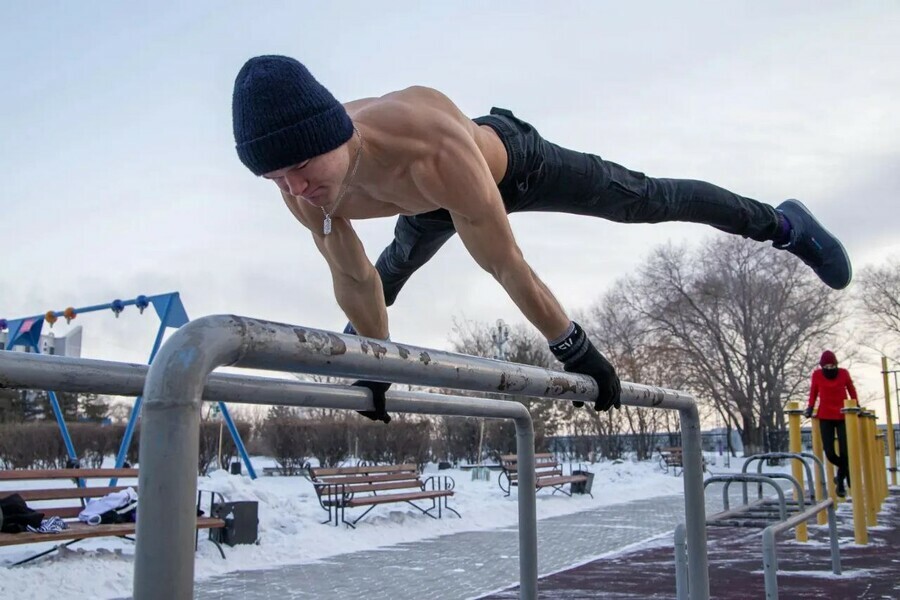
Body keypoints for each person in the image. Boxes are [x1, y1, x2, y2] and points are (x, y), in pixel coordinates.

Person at [231, 55, 853, 423]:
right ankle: (365, 354)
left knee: (646, 200)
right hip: (427, 209)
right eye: (276, 178)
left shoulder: (430, 149)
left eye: (302, 171)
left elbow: (505, 266)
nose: (294, 189)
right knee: (383, 281)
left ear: (336, 137)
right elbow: (353, 277)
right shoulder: (302, 186)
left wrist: (573, 349)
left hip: (512, 167)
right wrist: (374, 367)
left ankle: (781, 223)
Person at [803, 350, 858, 497]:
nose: (829, 368)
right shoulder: (817, 375)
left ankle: (840, 482)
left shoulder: (843, 373)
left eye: (832, 365)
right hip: (825, 416)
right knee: (830, 453)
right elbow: (813, 391)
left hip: (843, 415)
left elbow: (851, 389)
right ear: (822, 366)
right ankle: (847, 472)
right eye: (826, 365)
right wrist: (810, 407)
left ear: (836, 364)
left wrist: (855, 404)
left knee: (845, 452)